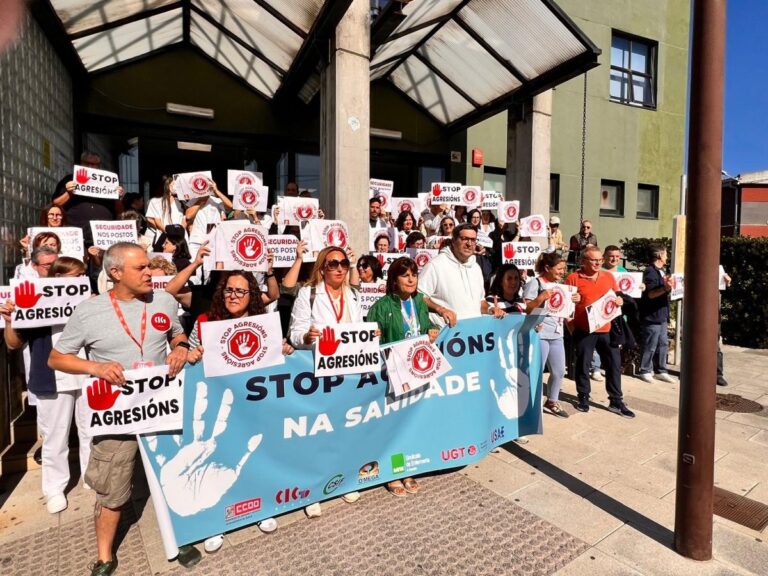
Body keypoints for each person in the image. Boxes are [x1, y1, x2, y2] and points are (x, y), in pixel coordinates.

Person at [49, 242, 197, 575]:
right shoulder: (89, 311)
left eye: (148, 266)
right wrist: (96, 369)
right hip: (117, 414)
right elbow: (56, 358)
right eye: (141, 268)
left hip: (161, 408)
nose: (150, 273)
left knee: (172, 475)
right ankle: (104, 555)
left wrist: (180, 347)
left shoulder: (164, 300)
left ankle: (181, 535)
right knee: (113, 488)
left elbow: (176, 333)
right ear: (115, 272)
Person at [186, 271, 289, 551]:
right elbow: (188, 365)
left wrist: (286, 350)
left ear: (252, 296)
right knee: (216, 459)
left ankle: (261, 506)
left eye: (240, 292)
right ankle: (215, 520)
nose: (233, 296)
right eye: (229, 290)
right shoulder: (205, 322)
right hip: (216, 409)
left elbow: (277, 363)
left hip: (254, 408)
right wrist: (190, 355)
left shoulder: (263, 325)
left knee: (255, 456)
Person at [2, 257, 92, 514]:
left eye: (82, 275)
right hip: (52, 377)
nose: (79, 280)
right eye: (73, 276)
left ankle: (90, 475)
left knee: (90, 430)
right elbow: (12, 343)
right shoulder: (35, 303)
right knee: (55, 437)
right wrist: (10, 319)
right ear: (57, 279)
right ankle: (54, 489)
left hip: (87, 373)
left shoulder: (89, 301)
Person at [288, 246, 364, 515]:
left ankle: (343, 479)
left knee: (344, 429)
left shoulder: (353, 293)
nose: (340, 268)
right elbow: (294, 333)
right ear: (322, 268)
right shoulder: (308, 294)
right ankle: (312, 491)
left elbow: (359, 328)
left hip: (349, 371)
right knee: (318, 432)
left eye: (343, 263)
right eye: (333, 263)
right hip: (318, 372)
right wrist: (305, 338)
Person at [367, 257, 438, 497]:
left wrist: (431, 331)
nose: (411, 279)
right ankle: (394, 471)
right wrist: (373, 334)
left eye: (414, 274)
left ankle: (408, 468)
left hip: (417, 370)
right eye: (405, 275)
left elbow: (426, 327)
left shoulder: (419, 301)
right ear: (394, 280)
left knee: (412, 422)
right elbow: (368, 343)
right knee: (394, 424)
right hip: (393, 372)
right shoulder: (381, 306)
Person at [565, 246, 634, 418]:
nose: (597, 263)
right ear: (583, 261)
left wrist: (620, 300)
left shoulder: (608, 277)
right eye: (593, 260)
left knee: (613, 365)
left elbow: (616, 297)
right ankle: (583, 398)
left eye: (599, 260)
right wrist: (572, 328)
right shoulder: (573, 278)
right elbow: (566, 308)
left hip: (607, 329)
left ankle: (616, 400)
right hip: (584, 330)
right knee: (583, 365)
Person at [524, 253, 580, 418]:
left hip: (557, 333)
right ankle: (532, 405)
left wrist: (573, 300)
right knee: (537, 371)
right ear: (547, 268)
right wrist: (541, 297)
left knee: (559, 371)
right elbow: (526, 309)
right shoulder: (535, 283)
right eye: (559, 268)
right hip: (539, 334)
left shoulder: (559, 285)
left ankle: (552, 401)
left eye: (564, 268)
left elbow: (565, 309)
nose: (562, 272)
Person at [418, 223, 505, 327]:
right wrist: (440, 309)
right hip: (446, 335)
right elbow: (419, 297)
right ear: (453, 241)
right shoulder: (435, 265)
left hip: (472, 335)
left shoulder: (476, 267)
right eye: (464, 239)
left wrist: (490, 309)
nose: (469, 244)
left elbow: (480, 302)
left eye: (473, 240)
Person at [637, 244, 674, 383]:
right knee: (650, 343)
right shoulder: (650, 272)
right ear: (659, 256)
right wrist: (665, 289)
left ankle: (661, 369)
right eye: (665, 254)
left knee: (663, 343)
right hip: (652, 315)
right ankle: (645, 369)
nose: (667, 257)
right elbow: (651, 294)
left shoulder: (662, 271)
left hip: (662, 313)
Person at [146, 176, 187, 243]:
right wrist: (167, 232)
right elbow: (156, 220)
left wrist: (180, 231)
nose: (176, 187)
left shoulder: (181, 201)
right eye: (173, 184)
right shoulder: (155, 201)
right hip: (164, 235)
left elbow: (184, 219)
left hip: (180, 236)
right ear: (167, 186)